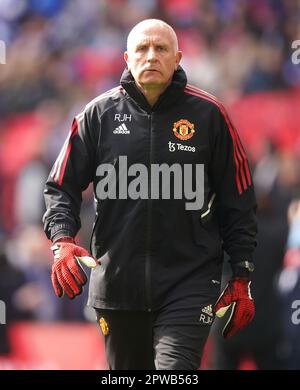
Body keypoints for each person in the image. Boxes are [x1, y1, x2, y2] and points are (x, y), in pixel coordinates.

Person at [43, 19, 257, 370]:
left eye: (161, 49)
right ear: (127, 58)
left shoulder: (211, 115)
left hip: (190, 282)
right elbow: (59, 186)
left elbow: (239, 201)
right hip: (116, 285)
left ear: (178, 58)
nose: (151, 56)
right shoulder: (97, 115)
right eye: (142, 49)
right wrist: (62, 239)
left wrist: (241, 275)